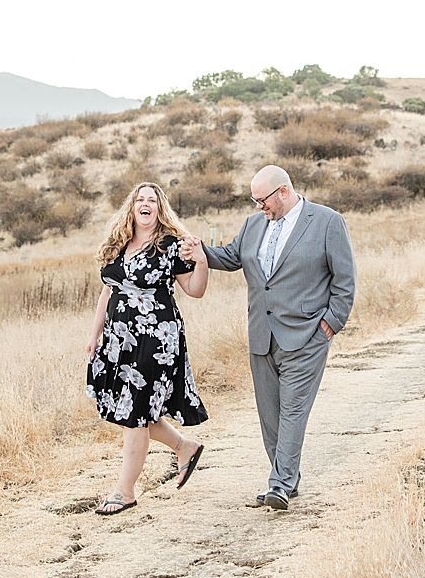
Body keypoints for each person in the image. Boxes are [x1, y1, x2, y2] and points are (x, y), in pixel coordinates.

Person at [195, 164, 356, 512]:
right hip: (261, 337)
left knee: (293, 411)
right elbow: (230, 257)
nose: (258, 207)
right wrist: (198, 250)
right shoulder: (254, 225)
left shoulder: (328, 222)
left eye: (262, 199)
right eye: (254, 200)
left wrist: (330, 325)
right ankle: (286, 478)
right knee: (270, 414)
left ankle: (280, 483)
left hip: (307, 336)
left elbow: (345, 281)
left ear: (283, 191)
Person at [85, 181, 209, 516]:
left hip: (156, 342)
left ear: (159, 208)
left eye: (152, 200)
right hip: (119, 342)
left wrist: (201, 260)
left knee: (134, 413)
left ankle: (124, 491)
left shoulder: (170, 246)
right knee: (132, 409)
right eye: (140, 199)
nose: (145, 204)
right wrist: (95, 334)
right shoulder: (119, 245)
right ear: (132, 207)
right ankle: (185, 447)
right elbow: (108, 292)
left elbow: (195, 290)